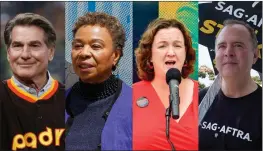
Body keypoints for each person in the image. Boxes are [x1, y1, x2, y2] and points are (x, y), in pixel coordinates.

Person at [65, 12, 132, 150]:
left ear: (115, 55)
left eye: (96, 46)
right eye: (78, 45)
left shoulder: (135, 106)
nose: (84, 53)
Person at [0, 13, 65, 150]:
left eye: (34, 45)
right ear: (8, 53)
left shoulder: (72, 99)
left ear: (51, 52)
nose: (25, 55)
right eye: (17, 46)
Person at [133, 18, 198, 150]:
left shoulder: (204, 95)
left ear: (186, 54)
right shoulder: (129, 95)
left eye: (177, 45)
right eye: (162, 46)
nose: (171, 53)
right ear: (150, 55)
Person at [199, 19, 262, 150]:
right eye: (222, 46)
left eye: (238, 45)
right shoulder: (198, 100)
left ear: (255, 55)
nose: (228, 52)